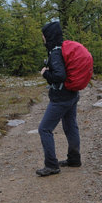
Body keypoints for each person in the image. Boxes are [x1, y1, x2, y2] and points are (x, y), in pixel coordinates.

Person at [37, 21, 81, 177]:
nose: (42, 38)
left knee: (44, 129)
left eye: (43, 35)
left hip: (61, 98)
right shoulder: (62, 48)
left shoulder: (55, 53)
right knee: (70, 125)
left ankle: (51, 165)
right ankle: (74, 159)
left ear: (49, 36)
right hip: (72, 94)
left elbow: (60, 76)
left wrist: (45, 73)